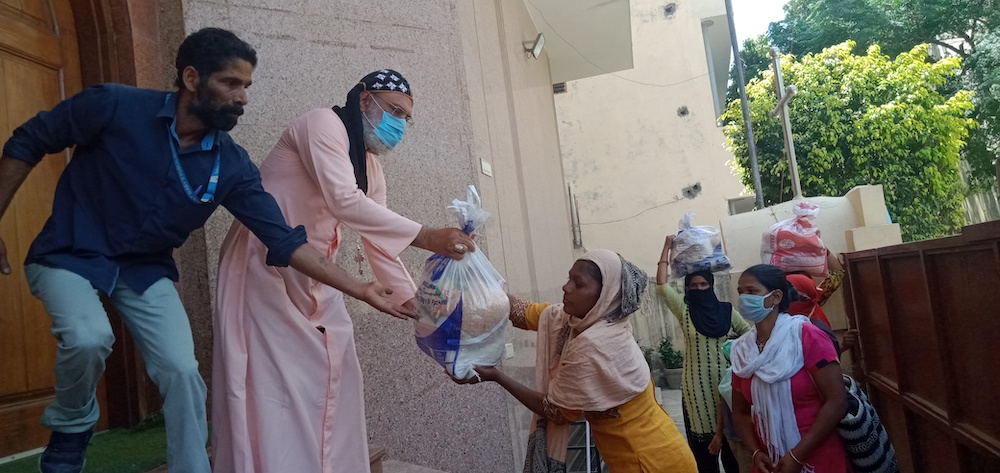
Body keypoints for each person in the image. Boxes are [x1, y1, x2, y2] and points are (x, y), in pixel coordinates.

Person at [0, 29, 421, 473]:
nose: (242, 98)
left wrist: (361, 289)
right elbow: (30, 139)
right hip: (71, 251)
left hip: (145, 270)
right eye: (231, 84)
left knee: (184, 373)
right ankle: (72, 429)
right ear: (192, 77)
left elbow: (284, 239)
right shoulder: (116, 105)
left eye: (247, 87)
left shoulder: (231, 164)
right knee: (90, 337)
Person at [210, 69, 474, 473]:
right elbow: (344, 203)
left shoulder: (371, 167)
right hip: (264, 265)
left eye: (406, 118)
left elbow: (378, 238)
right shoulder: (322, 124)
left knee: (338, 369)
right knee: (271, 384)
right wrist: (427, 236)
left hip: (317, 275)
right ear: (364, 99)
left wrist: (422, 314)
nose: (399, 125)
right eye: (394, 111)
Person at [452, 249, 697, 472]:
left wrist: (497, 375)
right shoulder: (577, 320)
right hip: (651, 451)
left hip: (649, 462)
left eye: (578, 284)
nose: (566, 287)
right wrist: (474, 269)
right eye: (569, 278)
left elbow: (556, 411)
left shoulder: (596, 344)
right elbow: (520, 312)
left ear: (604, 296)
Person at [731, 264, 848, 473]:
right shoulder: (743, 350)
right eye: (740, 292)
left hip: (816, 458)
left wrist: (797, 456)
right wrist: (756, 452)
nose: (743, 299)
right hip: (769, 462)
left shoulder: (806, 336)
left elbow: (837, 401)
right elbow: (740, 412)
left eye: (751, 292)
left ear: (775, 297)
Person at [657, 235, 751, 472]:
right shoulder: (684, 310)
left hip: (727, 387)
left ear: (710, 285)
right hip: (696, 390)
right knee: (704, 454)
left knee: (732, 452)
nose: (698, 289)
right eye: (693, 285)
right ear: (687, 288)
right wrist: (667, 247)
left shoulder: (727, 311)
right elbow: (661, 286)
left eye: (703, 285)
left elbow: (750, 335)